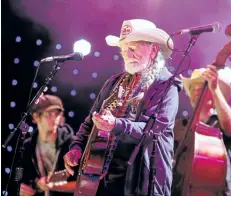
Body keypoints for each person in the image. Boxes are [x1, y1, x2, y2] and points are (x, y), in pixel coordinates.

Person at [63, 19, 182, 196]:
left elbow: (153, 130)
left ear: (153, 49)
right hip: (101, 182)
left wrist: (116, 125)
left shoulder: (166, 86)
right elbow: (90, 122)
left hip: (140, 183)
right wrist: (77, 147)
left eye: (133, 47)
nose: (127, 53)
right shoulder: (113, 83)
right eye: (124, 48)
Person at [173, 65, 231, 195]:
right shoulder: (178, 126)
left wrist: (215, 88)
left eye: (202, 86)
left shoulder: (221, 123)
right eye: (192, 87)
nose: (196, 90)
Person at [19, 94, 77, 196]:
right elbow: (22, 178)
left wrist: (54, 186)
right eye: (49, 114)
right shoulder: (27, 146)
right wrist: (21, 187)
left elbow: (87, 183)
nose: (54, 118)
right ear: (36, 117)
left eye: (57, 113)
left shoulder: (73, 144)